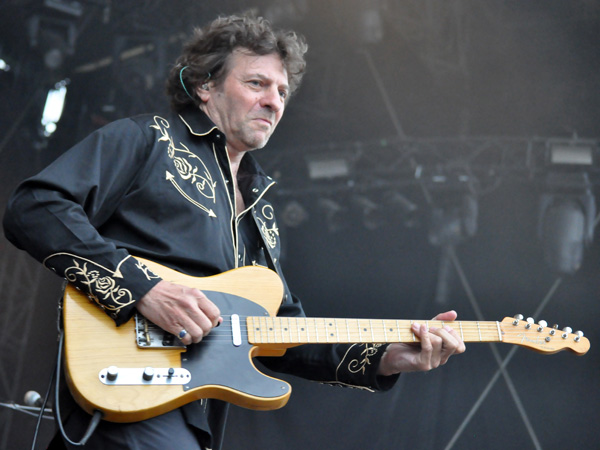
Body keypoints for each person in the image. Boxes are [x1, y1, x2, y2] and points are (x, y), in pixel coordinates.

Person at [3, 14, 465, 450]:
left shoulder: (260, 208)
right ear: (205, 86)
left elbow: (284, 335)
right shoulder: (149, 139)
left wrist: (387, 356)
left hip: (189, 409)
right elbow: (35, 207)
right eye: (257, 83)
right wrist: (144, 289)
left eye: (282, 91)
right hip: (129, 379)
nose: (274, 101)